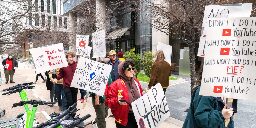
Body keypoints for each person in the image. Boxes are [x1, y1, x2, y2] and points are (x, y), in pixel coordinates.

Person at [183, 57, 234, 128]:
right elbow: (201, 118)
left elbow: (229, 117)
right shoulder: (206, 90)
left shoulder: (227, 91)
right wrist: (221, 115)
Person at [105, 59, 143, 128]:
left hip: (138, 115)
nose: (132, 70)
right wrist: (117, 100)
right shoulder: (116, 84)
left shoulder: (136, 82)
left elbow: (141, 95)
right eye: (129, 69)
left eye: (133, 68)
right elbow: (108, 101)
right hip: (124, 118)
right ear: (123, 71)